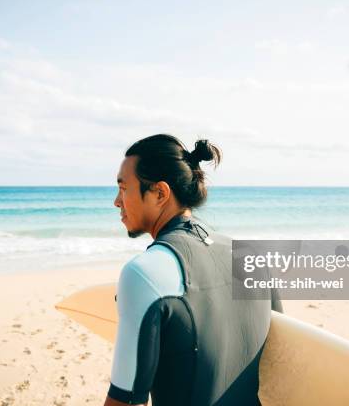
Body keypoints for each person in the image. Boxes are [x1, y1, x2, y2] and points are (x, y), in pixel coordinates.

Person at [105, 134, 281, 406]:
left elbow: (125, 402)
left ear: (160, 193)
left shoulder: (144, 274)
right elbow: (281, 360)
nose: (117, 201)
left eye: (123, 188)